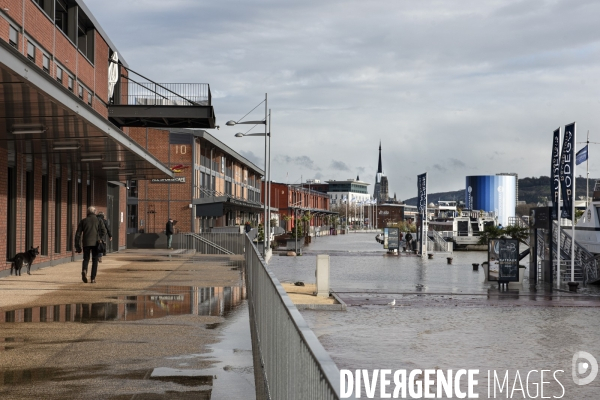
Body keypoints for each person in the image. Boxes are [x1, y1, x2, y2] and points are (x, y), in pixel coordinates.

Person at [75, 206, 106, 284]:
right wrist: (100, 238)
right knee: (95, 260)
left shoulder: (83, 221)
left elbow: (78, 234)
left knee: (86, 258)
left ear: (87, 212)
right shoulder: (99, 220)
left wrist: (77, 246)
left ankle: (84, 270)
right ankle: (93, 278)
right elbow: (104, 231)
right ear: (95, 212)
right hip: (96, 242)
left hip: (86, 242)